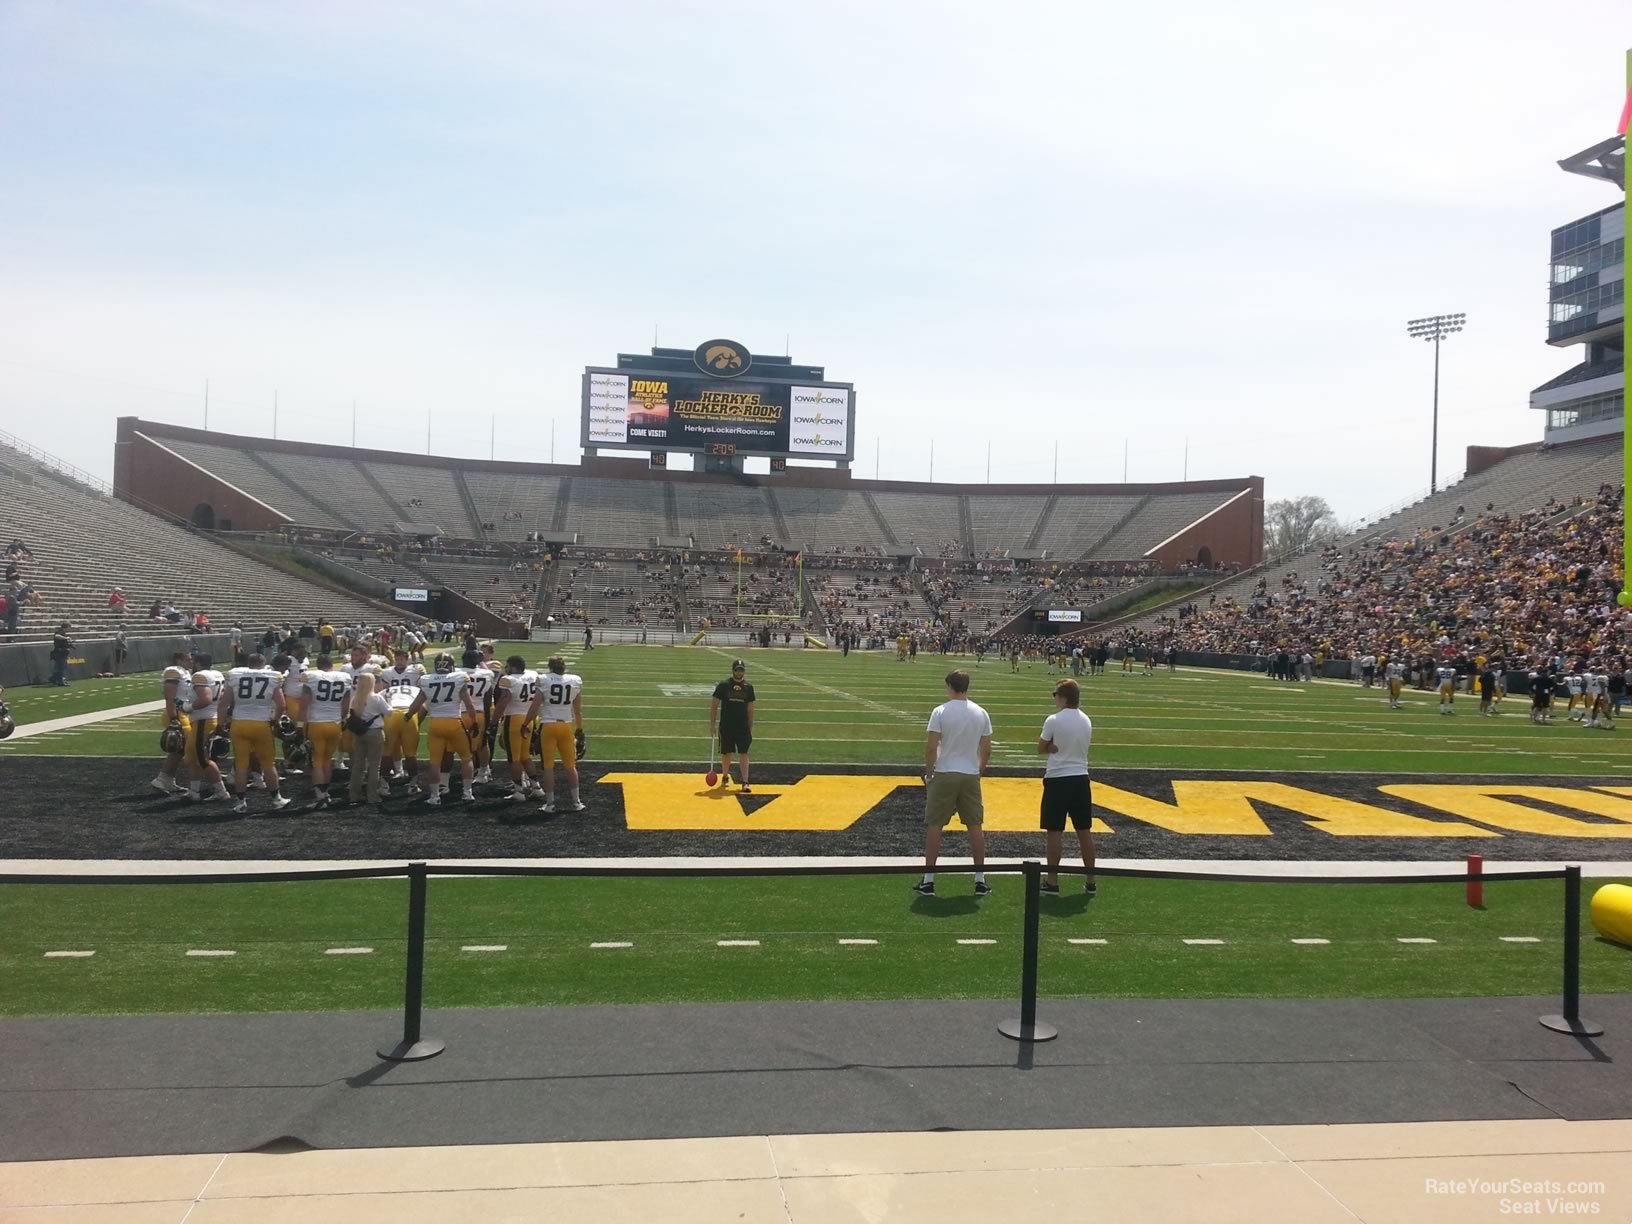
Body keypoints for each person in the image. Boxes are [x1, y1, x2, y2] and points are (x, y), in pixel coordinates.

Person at [915, 669, 992, 897]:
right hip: (969, 774)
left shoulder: (940, 711)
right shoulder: (981, 712)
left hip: (945, 772)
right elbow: (986, 749)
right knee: (975, 826)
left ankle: (928, 879)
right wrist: (978, 770)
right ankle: (980, 879)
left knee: (935, 825)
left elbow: (931, 747)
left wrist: (930, 773)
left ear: (950, 685)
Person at [1037, 678, 1095, 895]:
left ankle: (1052, 881)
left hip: (1058, 779)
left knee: (1054, 831)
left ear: (1063, 698)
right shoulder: (1086, 720)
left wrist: (1051, 747)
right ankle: (1091, 879)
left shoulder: (1054, 720)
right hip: (1081, 778)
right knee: (1084, 831)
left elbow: (1041, 747)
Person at [219, 653, 290, 814]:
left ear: (248, 664)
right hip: (261, 723)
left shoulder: (235, 675)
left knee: (241, 765)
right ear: (264, 663)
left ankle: (240, 802)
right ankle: (276, 799)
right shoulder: (273, 677)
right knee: (268, 764)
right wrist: (275, 720)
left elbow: (224, 703)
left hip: (239, 723)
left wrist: (220, 724)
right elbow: (281, 705)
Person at [406, 651, 478, 805]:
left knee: (435, 762)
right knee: (466, 759)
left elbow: (416, 704)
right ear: (451, 666)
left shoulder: (426, 680)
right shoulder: (459, 678)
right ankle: (467, 793)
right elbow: (469, 704)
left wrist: (407, 716)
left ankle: (434, 796)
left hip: (436, 724)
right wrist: (474, 722)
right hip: (454, 723)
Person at [525, 655, 585, 813]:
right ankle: (577, 802)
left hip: (548, 726)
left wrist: (525, 723)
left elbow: (535, 706)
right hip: (566, 725)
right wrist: (579, 729)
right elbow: (577, 710)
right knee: (571, 766)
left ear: (550, 667)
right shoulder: (575, 681)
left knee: (549, 767)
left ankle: (550, 804)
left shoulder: (544, 679)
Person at [302, 656, 353, 808]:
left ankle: (320, 798)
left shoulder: (311, 676)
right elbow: (346, 705)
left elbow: (304, 704)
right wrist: (341, 718)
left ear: (317, 665)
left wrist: (300, 726)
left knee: (317, 761)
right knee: (327, 760)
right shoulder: (344, 677)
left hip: (317, 723)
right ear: (331, 665)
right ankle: (325, 794)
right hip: (335, 723)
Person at [184, 651, 231, 803]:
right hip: (210, 718)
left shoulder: (199, 676)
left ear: (198, 663)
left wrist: (187, 707)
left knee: (203, 759)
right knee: (192, 757)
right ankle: (194, 790)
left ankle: (221, 791)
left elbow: (205, 699)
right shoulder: (217, 674)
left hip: (203, 720)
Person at [494, 655, 541, 801]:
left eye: (507, 666)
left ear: (513, 666)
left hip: (513, 719)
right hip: (528, 719)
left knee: (514, 758)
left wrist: (493, 721)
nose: (505, 669)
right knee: (525, 756)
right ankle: (537, 787)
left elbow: (503, 701)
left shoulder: (508, 680)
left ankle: (519, 792)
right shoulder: (533, 675)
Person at [341, 673, 390, 809]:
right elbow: (389, 712)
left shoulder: (354, 698)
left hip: (358, 734)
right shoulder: (376, 698)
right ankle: (372, 796)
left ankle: (354, 795)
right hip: (375, 732)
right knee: (375, 765)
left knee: (358, 765)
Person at [709, 659, 755, 793]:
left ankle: (745, 782)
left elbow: (750, 709)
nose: (739, 672)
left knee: (744, 753)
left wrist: (750, 726)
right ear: (733, 670)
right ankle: (724, 776)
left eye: (741, 670)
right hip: (727, 725)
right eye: (737, 669)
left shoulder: (748, 687)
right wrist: (712, 724)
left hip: (742, 726)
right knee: (727, 753)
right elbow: (714, 705)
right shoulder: (724, 685)